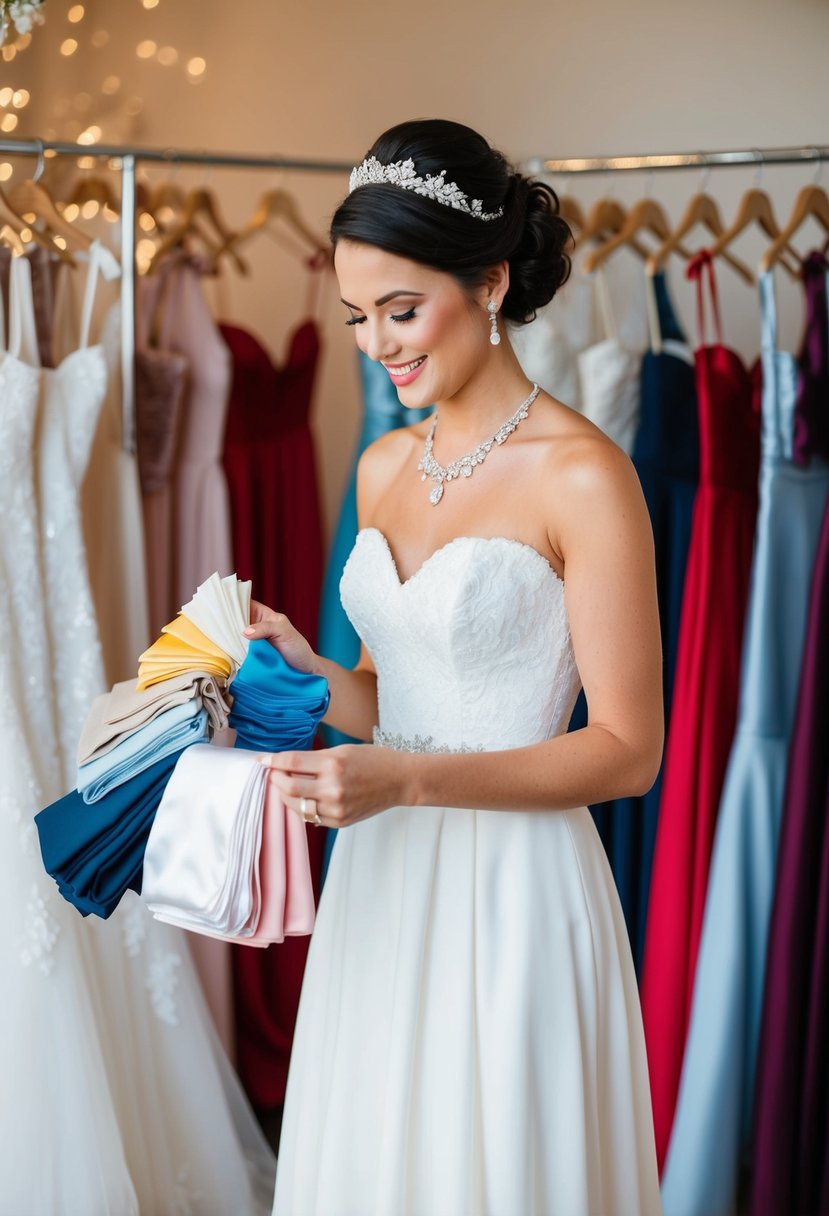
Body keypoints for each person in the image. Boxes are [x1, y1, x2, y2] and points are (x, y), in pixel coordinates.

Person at [246, 118, 663, 1216]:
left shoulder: (584, 476)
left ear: (487, 281)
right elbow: (391, 700)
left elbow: (628, 751)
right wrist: (304, 668)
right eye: (357, 317)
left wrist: (409, 780)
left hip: (517, 895)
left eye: (400, 309)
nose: (377, 344)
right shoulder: (385, 463)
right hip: (385, 883)